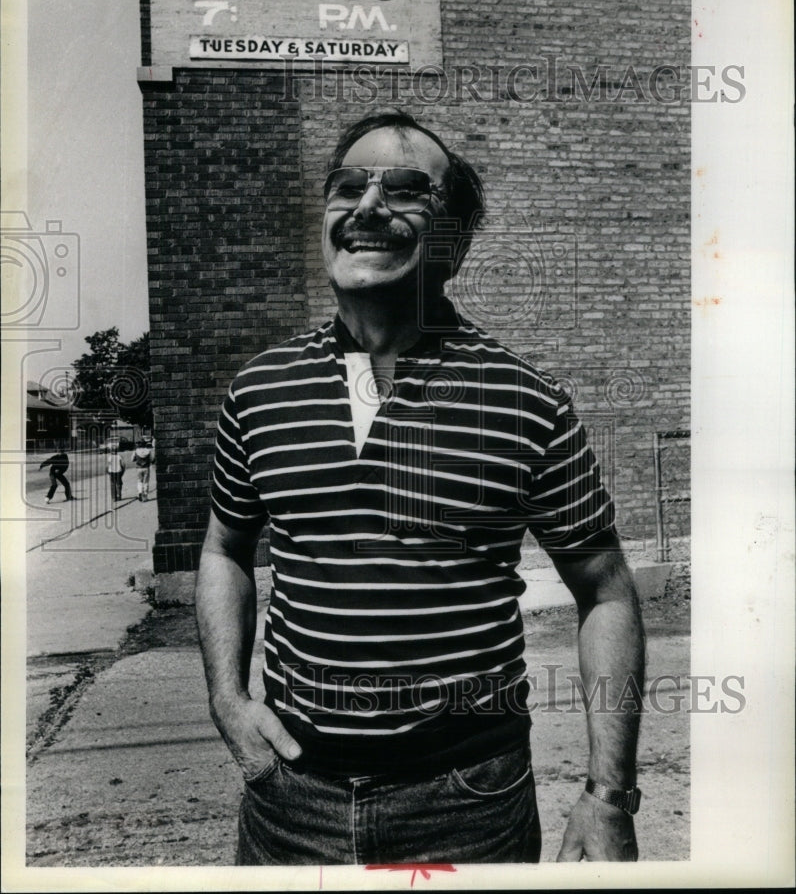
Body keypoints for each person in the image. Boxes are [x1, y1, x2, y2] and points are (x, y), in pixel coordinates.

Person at [196, 112, 645, 865]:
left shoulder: (525, 400)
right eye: (347, 186)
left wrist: (609, 796)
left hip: (466, 801)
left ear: (455, 241)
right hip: (288, 798)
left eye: (404, 191)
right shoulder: (259, 389)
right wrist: (228, 702)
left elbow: (608, 594)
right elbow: (223, 548)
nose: (366, 206)